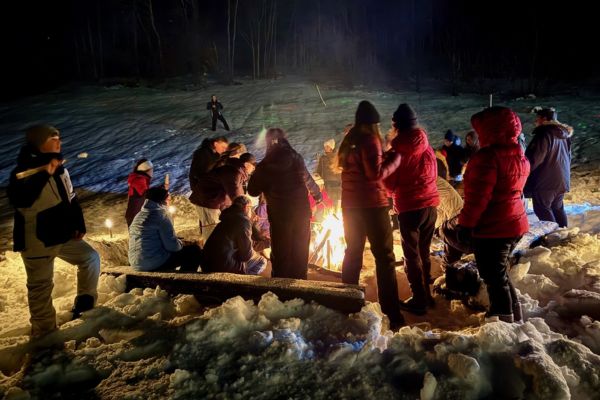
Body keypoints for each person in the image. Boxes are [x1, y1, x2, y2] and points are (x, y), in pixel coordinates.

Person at [7, 125, 100, 337]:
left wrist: (79, 223)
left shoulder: (59, 168)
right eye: (53, 139)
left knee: (90, 258)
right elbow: (21, 200)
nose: (59, 142)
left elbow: (71, 198)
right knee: (40, 287)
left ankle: (85, 303)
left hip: (61, 235)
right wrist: (44, 174)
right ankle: (44, 334)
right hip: (36, 239)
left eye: (59, 138)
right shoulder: (23, 171)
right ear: (39, 144)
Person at [455, 106, 530, 323]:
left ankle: (502, 320)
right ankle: (514, 313)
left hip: (494, 226)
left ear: (490, 130)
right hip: (514, 222)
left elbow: (478, 198)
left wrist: (465, 225)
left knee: (493, 276)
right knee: (499, 274)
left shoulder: (487, 157)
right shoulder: (519, 154)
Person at [337, 100, 404, 327]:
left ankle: (346, 303)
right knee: (385, 257)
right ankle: (391, 312)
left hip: (350, 206)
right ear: (373, 123)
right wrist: (395, 158)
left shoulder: (350, 140)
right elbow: (375, 174)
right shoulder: (370, 140)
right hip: (372, 206)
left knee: (353, 252)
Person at [383, 103, 439, 315]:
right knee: (424, 252)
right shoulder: (427, 147)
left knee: (411, 255)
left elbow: (389, 185)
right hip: (430, 206)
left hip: (410, 208)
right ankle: (427, 294)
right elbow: (434, 174)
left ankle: (419, 298)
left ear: (396, 126)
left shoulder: (398, 152)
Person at [248, 127, 322, 279]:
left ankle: (280, 284)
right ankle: (299, 282)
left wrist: (264, 182)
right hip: (301, 212)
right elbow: (307, 178)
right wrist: (318, 196)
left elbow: (252, 191)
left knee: (281, 251)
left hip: (279, 216)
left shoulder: (265, 165)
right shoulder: (296, 158)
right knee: (300, 249)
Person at [129, 187, 202, 271]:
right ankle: (185, 278)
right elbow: (173, 247)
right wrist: (181, 242)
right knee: (194, 251)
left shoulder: (139, 215)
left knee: (170, 253)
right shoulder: (161, 215)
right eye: (168, 199)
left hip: (136, 263)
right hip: (152, 262)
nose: (170, 202)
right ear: (162, 201)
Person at [190, 152, 256, 244]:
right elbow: (236, 196)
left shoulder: (235, 171)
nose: (253, 169)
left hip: (213, 200)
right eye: (253, 166)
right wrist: (248, 212)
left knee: (217, 228)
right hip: (207, 202)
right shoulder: (233, 173)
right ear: (246, 164)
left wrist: (249, 210)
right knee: (211, 230)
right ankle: (210, 250)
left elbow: (238, 193)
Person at [524, 107, 572, 228]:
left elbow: (536, 158)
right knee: (557, 208)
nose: (535, 121)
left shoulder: (544, 133)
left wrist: (524, 172)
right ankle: (563, 232)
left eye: (537, 118)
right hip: (561, 179)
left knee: (542, 209)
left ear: (544, 119)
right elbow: (569, 157)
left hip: (545, 181)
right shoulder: (564, 134)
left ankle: (553, 234)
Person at [202, 196, 267, 275]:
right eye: (251, 208)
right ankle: (242, 280)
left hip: (206, 265)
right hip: (223, 266)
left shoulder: (227, 218)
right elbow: (246, 256)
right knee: (262, 261)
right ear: (246, 207)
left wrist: (252, 222)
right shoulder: (243, 221)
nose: (252, 212)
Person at [125, 159, 153, 227]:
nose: (152, 171)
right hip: (136, 217)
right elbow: (146, 194)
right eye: (151, 169)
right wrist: (162, 192)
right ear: (147, 170)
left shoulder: (141, 178)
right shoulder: (139, 179)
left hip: (136, 215)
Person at [315, 139, 342, 207]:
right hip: (330, 182)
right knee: (332, 201)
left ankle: (334, 210)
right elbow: (318, 171)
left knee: (333, 200)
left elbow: (318, 171)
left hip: (335, 182)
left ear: (331, 148)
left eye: (327, 146)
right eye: (325, 146)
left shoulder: (325, 158)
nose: (325, 148)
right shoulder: (324, 158)